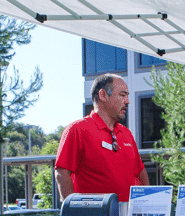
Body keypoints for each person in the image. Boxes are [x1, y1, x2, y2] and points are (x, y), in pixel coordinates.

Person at [55, 74, 149, 203]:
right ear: (103, 95)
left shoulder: (126, 133)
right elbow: (62, 173)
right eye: (122, 95)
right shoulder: (77, 129)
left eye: (127, 96)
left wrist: (148, 205)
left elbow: (140, 172)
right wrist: (74, 210)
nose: (127, 101)